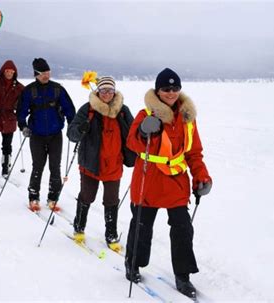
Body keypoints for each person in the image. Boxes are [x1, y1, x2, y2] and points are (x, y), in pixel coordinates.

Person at [124, 68, 212, 299]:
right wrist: (143, 132)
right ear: (158, 90)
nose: (171, 92)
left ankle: (182, 276)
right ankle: (133, 263)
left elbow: (194, 153)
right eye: (166, 89)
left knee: (183, 229)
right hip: (149, 179)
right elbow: (132, 143)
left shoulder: (187, 118)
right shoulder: (145, 114)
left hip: (176, 183)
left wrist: (201, 176)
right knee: (142, 226)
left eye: (175, 88)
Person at [67, 76, 136, 251]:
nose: (107, 94)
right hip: (91, 163)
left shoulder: (122, 110)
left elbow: (135, 133)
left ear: (115, 92)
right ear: (97, 91)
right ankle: (79, 227)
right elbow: (71, 134)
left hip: (114, 164)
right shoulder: (88, 109)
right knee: (87, 196)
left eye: (110, 90)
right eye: (103, 90)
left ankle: (111, 235)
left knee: (111, 200)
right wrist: (80, 129)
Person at [17, 58, 76, 211]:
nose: (46, 76)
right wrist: (23, 126)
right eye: (43, 73)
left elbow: (69, 109)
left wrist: (73, 126)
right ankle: (34, 197)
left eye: (48, 73)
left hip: (56, 134)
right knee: (38, 166)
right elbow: (21, 111)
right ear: (36, 74)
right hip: (36, 135)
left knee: (55, 167)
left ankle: (53, 198)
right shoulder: (29, 91)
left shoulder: (58, 89)